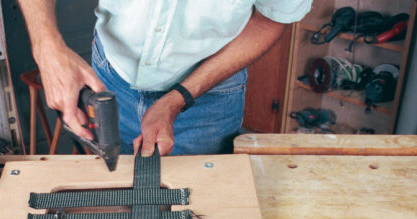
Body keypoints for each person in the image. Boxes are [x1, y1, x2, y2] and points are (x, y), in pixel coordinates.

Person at [18, 0, 311, 156]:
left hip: (208, 98)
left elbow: (271, 19)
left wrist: (178, 99)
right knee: (116, 212)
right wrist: (47, 48)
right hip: (110, 76)